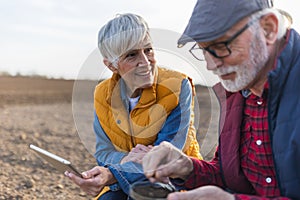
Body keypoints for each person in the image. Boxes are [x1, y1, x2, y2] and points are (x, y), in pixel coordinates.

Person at [142, 0, 300, 199]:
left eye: (220, 46)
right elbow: (230, 177)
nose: (210, 64)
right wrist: (188, 167)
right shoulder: (238, 88)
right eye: (203, 50)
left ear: (268, 28)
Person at [65, 13, 202, 199]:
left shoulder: (177, 86)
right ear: (112, 66)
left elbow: (167, 154)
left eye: (148, 50)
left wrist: (114, 173)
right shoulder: (102, 94)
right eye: (132, 55)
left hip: (172, 180)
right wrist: (123, 162)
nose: (145, 62)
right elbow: (104, 152)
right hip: (125, 180)